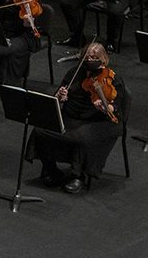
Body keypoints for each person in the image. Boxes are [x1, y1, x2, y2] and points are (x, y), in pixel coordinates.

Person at [32, 43, 128, 194]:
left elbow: (115, 107)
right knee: (40, 129)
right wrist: (60, 96)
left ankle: (78, 176)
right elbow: (56, 97)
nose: (90, 60)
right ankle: (50, 169)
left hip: (99, 120)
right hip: (72, 115)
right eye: (87, 57)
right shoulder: (74, 73)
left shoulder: (113, 79)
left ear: (103, 59)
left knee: (81, 138)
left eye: (95, 57)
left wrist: (104, 107)